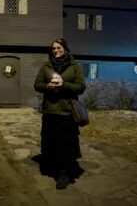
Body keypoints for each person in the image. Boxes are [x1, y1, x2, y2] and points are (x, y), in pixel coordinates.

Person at [34, 38, 86, 190]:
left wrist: (64, 85)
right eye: (53, 49)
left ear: (65, 49)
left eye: (59, 48)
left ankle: (64, 174)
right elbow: (37, 85)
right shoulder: (46, 66)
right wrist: (48, 87)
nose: (56, 51)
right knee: (51, 142)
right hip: (50, 111)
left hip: (67, 112)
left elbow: (81, 87)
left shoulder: (74, 67)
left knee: (66, 144)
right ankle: (52, 167)